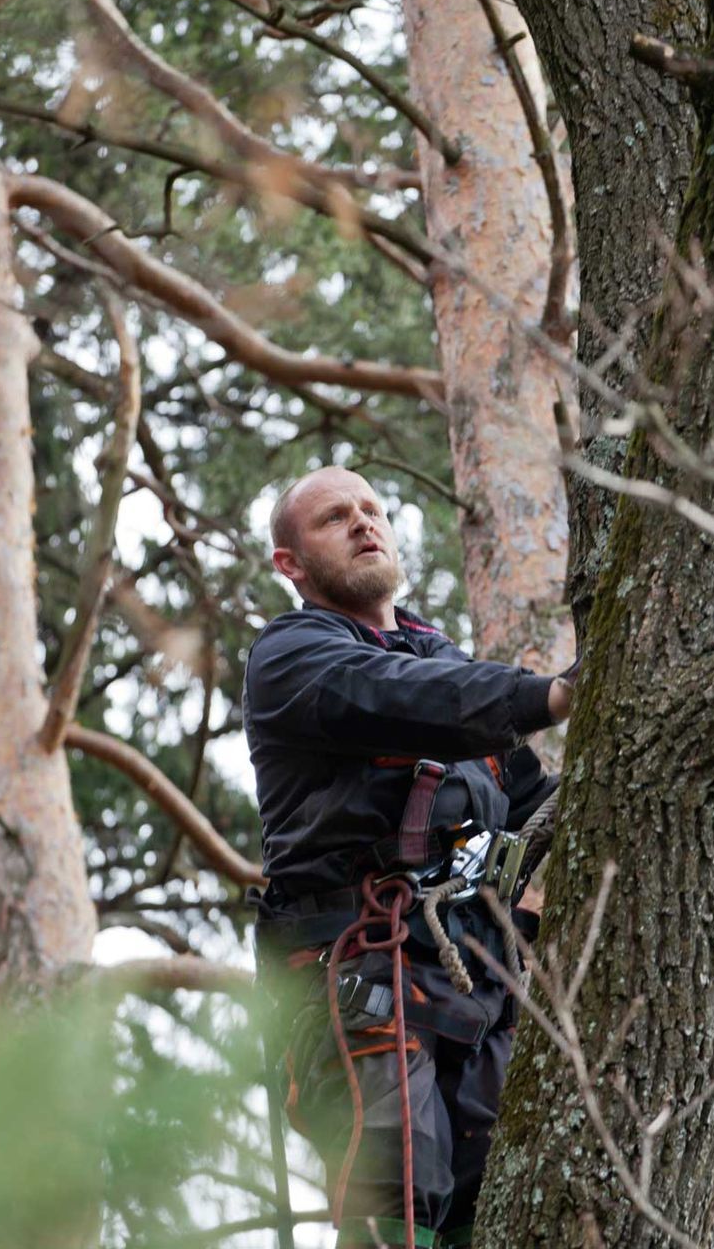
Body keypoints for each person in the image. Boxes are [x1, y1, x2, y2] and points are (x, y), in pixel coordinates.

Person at [244, 467, 573, 1248]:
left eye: (373, 510)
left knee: (497, 1215)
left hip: (476, 997)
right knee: (399, 1201)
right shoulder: (293, 658)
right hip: (364, 984)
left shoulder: (439, 658)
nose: (364, 524)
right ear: (290, 562)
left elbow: (535, 799)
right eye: (335, 518)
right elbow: (401, 697)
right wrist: (550, 698)